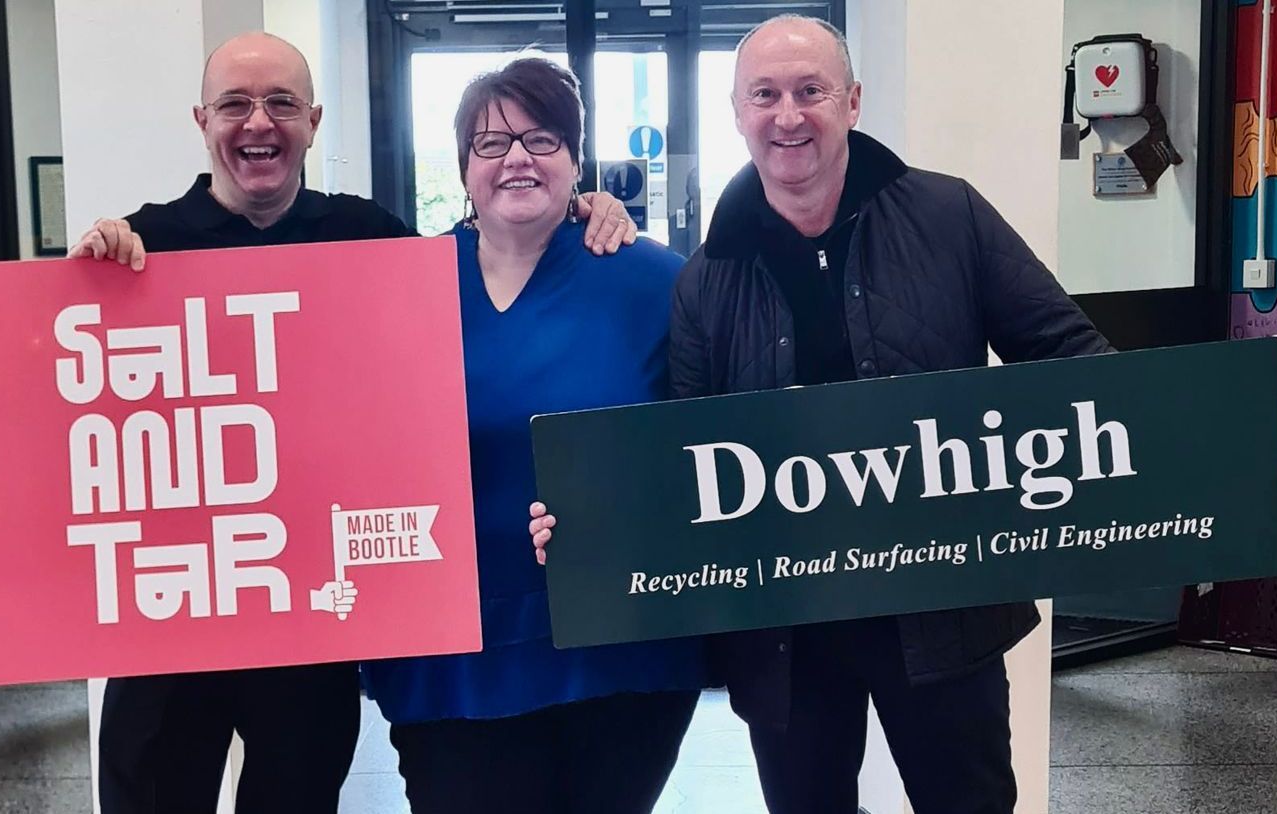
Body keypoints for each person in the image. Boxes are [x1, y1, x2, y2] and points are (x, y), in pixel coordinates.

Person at [532, 14, 1111, 814]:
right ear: (737, 112)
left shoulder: (950, 218)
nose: (788, 115)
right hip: (786, 636)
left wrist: (1219, 461)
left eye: (811, 91)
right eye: (764, 95)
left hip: (942, 612)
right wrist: (586, 523)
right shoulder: (706, 280)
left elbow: (1072, 357)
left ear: (854, 101)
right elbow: (681, 463)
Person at [66, 32, 639, 814]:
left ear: (315, 120)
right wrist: (87, 270)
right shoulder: (143, 250)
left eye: (281, 103)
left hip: (311, 625)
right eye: (235, 103)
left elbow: (499, 235)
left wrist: (583, 205)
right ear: (202, 119)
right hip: (173, 626)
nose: (258, 122)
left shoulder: (373, 241)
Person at [359, 58, 705, 814]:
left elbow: (712, 445)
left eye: (541, 139)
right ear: (462, 169)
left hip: (620, 653)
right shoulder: (397, 288)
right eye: (490, 143)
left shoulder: (654, 281)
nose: (516, 157)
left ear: (575, 162)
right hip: (451, 657)